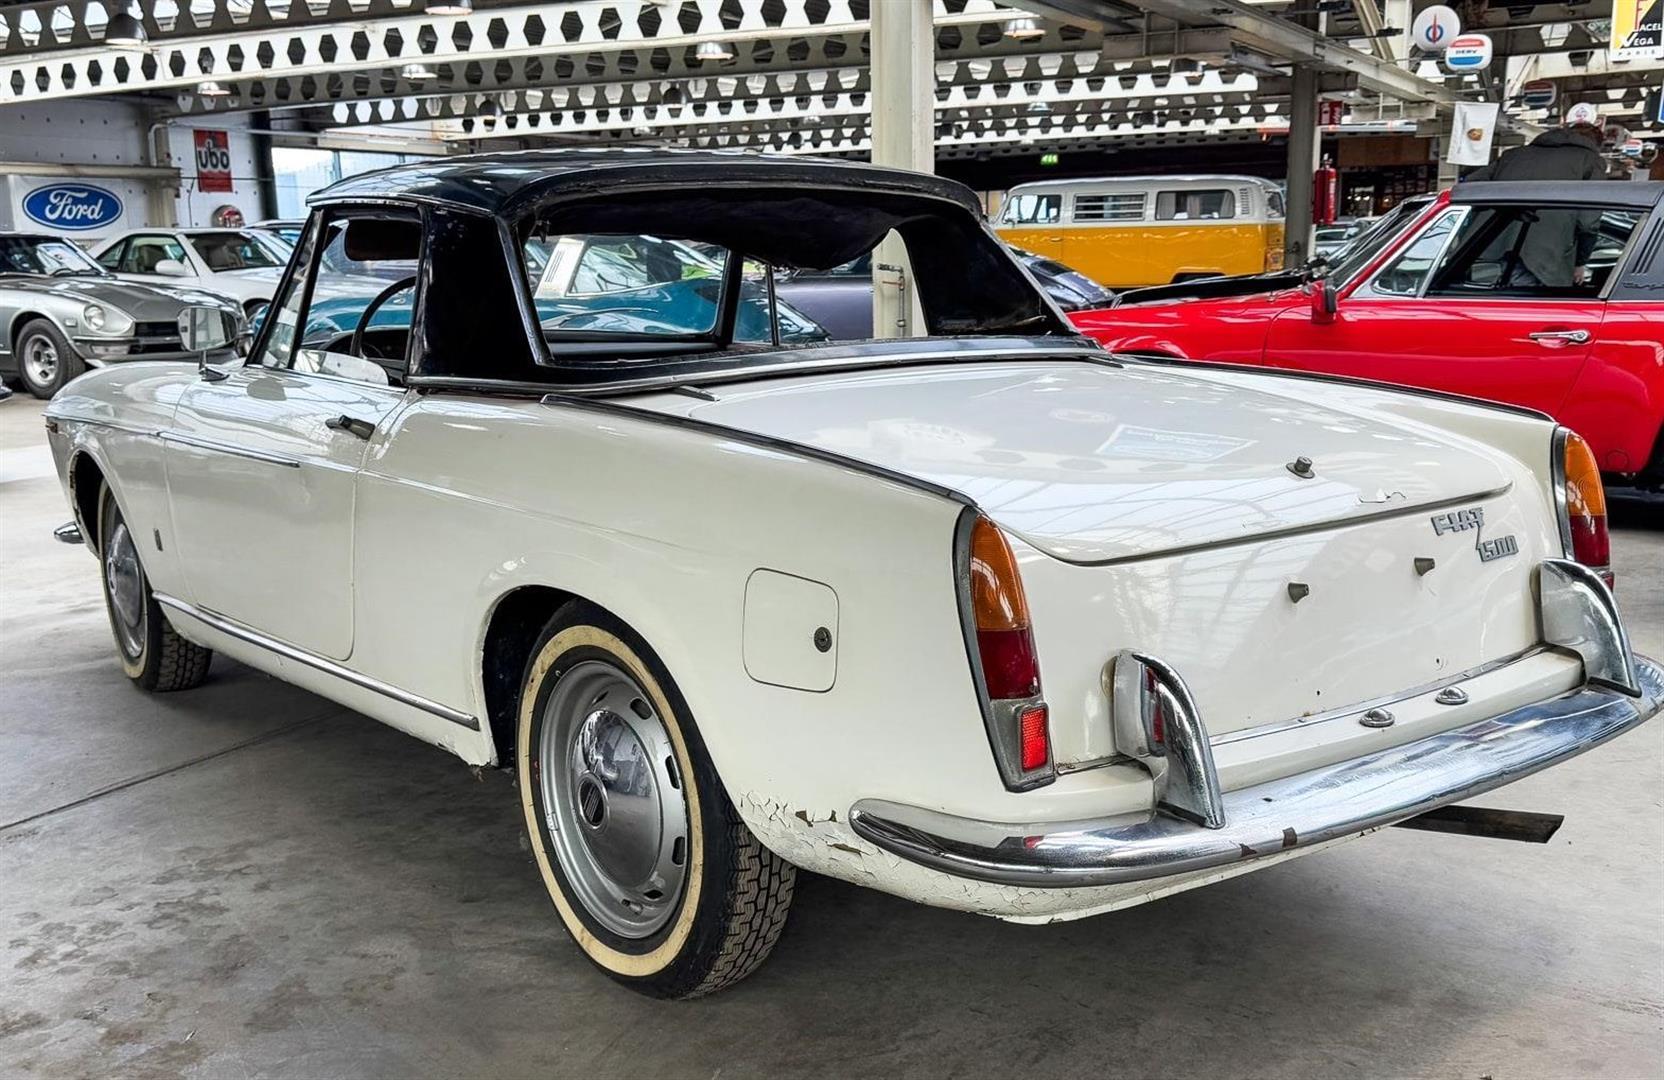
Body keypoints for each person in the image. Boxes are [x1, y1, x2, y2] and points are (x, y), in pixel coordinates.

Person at [1466, 102, 1606, 289]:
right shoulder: (1591, 161)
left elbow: (1470, 186)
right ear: (1596, 143)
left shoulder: (1513, 155)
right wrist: (1580, 262)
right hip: (1543, 259)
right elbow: (1588, 222)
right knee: (1521, 304)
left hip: (1485, 249)